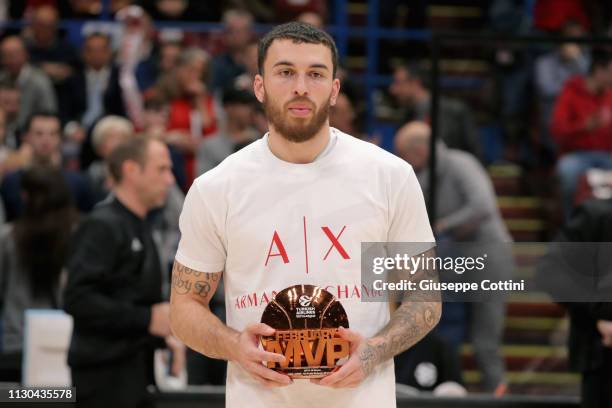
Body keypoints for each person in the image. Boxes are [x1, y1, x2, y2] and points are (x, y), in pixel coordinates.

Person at [170, 22, 441, 408]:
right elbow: (184, 308)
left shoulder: (388, 176)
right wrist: (234, 345)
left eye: (315, 74)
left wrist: (375, 351)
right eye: (285, 72)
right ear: (259, 86)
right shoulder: (217, 187)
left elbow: (425, 296)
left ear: (334, 90)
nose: (301, 86)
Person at [63, 136, 184, 408]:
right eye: (161, 169)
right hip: (103, 376)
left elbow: (134, 300)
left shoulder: (140, 225)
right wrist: (147, 319)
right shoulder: (102, 226)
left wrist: (162, 337)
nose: (169, 180)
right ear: (131, 170)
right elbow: (78, 299)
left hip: (136, 370)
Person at [394, 121, 513, 394]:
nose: (402, 161)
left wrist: (443, 226)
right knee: (446, 334)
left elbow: (482, 207)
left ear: (420, 150)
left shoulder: (462, 164)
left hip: (488, 257)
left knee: (485, 341)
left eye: (404, 154)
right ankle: (452, 390)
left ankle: (497, 393)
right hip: (452, 261)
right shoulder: (422, 179)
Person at [0, 166, 77, 382]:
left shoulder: (9, 238)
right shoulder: (79, 234)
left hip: (16, 340)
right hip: (67, 339)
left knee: (17, 399)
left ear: (25, 196)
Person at [550, 49, 612, 219]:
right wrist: (583, 126)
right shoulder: (571, 90)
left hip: (607, 155)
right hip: (577, 155)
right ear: (599, 70)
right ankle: (573, 227)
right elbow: (557, 130)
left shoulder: (610, 95)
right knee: (567, 171)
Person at [0, 111, 94, 221]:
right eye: (39, 133)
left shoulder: (77, 182)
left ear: (60, 138)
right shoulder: (11, 182)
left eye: (53, 133)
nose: (46, 140)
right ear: (26, 137)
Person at [389, 63, 482, 161]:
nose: (393, 89)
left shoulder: (453, 112)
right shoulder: (406, 117)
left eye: (398, 83)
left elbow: (475, 153)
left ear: (415, 83)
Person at [196, 86, 259, 175]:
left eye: (250, 106)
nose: (249, 110)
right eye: (243, 105)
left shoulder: (259, 140)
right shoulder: (209, 146)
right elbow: (202, 182)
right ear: (228, 107)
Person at [0, 35, 57, 130]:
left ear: (26, 54)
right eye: (6, 55)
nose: (12, 59)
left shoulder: (40, 80)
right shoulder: (1, 79)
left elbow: (49, 112)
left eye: (15, 54)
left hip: (32, 133)